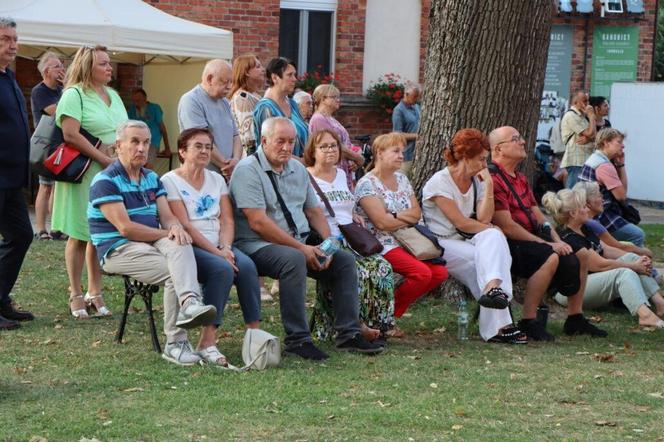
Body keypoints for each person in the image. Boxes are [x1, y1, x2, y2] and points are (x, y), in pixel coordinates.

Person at [230, 117, 383, 360]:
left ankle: (349, 333)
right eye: (280, 142)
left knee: (342, 260)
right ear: (264, 141)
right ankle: (298, 340)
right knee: (293, 259)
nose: (287, 148)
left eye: (291, 142)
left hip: (298, 239)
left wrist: (327, 243)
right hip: (257, 244)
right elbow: (257, 222)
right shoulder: (247, 170)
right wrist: (302, 249)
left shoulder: (297, 168)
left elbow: (313, 210)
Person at [88, 120, 217, 365]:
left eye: (146, 142)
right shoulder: (105, 181)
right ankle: (175, 344)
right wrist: (167, 233)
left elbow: (166, 217)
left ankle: (190, 303)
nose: (142, 148)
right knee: (174, 272)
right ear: (118, 146)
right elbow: (126, 228)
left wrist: (175, 227)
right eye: (135, 142)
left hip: (148, 243)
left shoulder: (151, 178)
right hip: (118, 249)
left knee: (180, 241)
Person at [488, 126, 607, 340]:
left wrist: (556, 239)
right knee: (550, 256)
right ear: (499, 149)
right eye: (515, 139)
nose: (523, 142)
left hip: (531, 238)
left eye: (521, 137)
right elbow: (507, 225)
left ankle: (575, 318)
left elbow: (539, 217)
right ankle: (528, 320)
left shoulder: (521, 178)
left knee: (580, 251)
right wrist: (549, 245)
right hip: (509, 242)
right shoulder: (493, 178)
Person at [161, 128, 261, 365]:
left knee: (247, 267)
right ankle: (208, 341)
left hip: (220, 243)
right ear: (183, 151)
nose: (205, 151)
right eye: (198, 146)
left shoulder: (216, 179)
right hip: (190, 245)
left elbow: (226, 219)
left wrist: (225, 247)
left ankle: (254, 335)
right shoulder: (170, 180)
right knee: (222, 269)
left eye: (208, 146)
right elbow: (185, 224)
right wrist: (218, 253)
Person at [422, 129, 525, 344]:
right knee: (489, 253)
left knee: (494, 240)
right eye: (480, 159)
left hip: (466, 238)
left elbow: (486, 217)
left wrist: (488, 184)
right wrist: (488, 228)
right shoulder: (439, 182)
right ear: (464, 157)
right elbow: (461, 222)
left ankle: (493, 290)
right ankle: (500, 325)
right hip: (441, 242)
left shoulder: (477, 180)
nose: (484, 165)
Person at [53, 45, 127, 319]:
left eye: (110, 63)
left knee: (98, 233)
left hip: (110, 174)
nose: (110, 68)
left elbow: (123, 130)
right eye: (103, 64)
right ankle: (75, 292)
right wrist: (103, 158)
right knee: (79, 233)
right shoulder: (74, 95)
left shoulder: (114, 95)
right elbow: (70, 134)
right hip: (84, 171)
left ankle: (95, 291)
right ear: (87, 67)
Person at [304, 129, 395, 341]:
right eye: (323, 146)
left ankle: (378, 323)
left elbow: (344, 202)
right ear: (313, 151)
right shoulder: (306, 176)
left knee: (381, 267)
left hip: (352, 237)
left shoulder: (342, 174)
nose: (330, 150)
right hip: (327, 239)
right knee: (358, 272)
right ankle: (358, 324)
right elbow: (307, 210)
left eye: (334, 145)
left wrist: (352, 212)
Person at [354, 132, 448, 322]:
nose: (401, 156)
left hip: (409, 239)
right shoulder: (367, 184)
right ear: (379, 153)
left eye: (402, 151)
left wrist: (394, 215)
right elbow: (381, 223)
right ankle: (387, 317)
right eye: (395, 151)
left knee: (440, 273)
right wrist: (401, 218)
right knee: (421, 274)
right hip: (382, 242)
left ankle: (386, 314)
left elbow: (416, 213)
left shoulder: (402, 179)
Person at [542, 188, 664, 329]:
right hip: (567, 293)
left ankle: (660, 303)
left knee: (630, 258)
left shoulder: (584, 228)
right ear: (573, 213)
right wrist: (635, 266)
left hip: (590, 280)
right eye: (583, 206)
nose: (587, 209)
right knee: (624, 273)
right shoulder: (568, 237)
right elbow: (599, 265)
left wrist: (638, 259)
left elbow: (606, 250)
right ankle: (645, 316)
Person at [0, 17, 35, 330]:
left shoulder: (8, 77)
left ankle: (1, 299)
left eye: (14, 39)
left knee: (22, 235)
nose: (12, 45)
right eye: (5, 39)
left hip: (12, 179)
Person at [578, 128, 644, 246]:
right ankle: (638, 263)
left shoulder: (594, 159)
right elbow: (621, 196)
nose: (622, 146)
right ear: (606, 142)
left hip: (589, 212)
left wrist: (620, 165)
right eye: (619, 142)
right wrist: (622, 167)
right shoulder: (604, 166)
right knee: (637, 235)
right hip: (599, 215)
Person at [178, 59, 242, 179]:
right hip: (200, 176)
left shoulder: (225, 102)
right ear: (209, 79)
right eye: (225, 82)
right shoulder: (191, 100)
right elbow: (201, 141)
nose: (229, 87)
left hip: (226, 175)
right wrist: (226, 165)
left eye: (231, 82)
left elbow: (236, 136)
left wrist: (236, 161)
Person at [30, 51, 66, 241]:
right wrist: (69, 89)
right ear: (46, 71)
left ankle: (56, 227)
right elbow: (56, 111)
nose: (61, 69)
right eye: (57, 66)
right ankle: (41, 229)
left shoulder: (61, 90)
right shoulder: (40, 91)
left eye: (61, 65)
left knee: (58, 187)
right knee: (45, 187)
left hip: (61, 144)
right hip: (45, 145)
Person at [309, 84, 365, 191]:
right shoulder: (318, 119)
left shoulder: (330, 119)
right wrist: (357, 158)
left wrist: (356, 154)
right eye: (334, 97)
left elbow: (346, 143)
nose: (338, 100)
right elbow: (333, 145)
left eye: (338, 97)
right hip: (331, 171)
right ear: (323, 99)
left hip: (342, 168)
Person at [253, 57, 309, 158]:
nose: (294, 79)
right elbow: (269, 148)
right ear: (275, 78)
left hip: (300, 168)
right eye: (289, 75)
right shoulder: (265, 108)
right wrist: (301, 163)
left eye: (294, 75)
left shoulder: (293, 104)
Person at [229, 54, 265, 156]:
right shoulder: (242, 98)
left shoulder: (255, 96)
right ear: (246, 72)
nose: (263, 70)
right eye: (258, 67)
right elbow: (248, 136)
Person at [127, 88, 171, 168]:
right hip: (136, 142)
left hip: (152, 142)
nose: (136, 103)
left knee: (147, 164)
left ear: (145, 98)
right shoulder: (132, 110)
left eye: (138, 100)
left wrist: (167, 148)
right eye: (134, 101)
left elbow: (163, 129)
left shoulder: (154, 108)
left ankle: (147, 179)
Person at [560, 90, 596, 188]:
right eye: (584, 101)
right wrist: (592, 116)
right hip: (576, 160)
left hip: (584, 159)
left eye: (588, 101)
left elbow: (594, 135)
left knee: (581, 194)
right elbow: (589, 133)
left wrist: (589, 139)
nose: (587, 104)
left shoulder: (582, 117)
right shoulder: (571, 115)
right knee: (573, 193)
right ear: (575, 102)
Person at [391, 83, 421, 175]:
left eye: (418, 96)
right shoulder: (398, 110)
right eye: (415, 96)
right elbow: (397, 135)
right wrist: (418, 136)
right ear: (406, 94)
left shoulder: (416, 107)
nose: (417, 99)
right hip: (406, 155)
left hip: (418, 154)